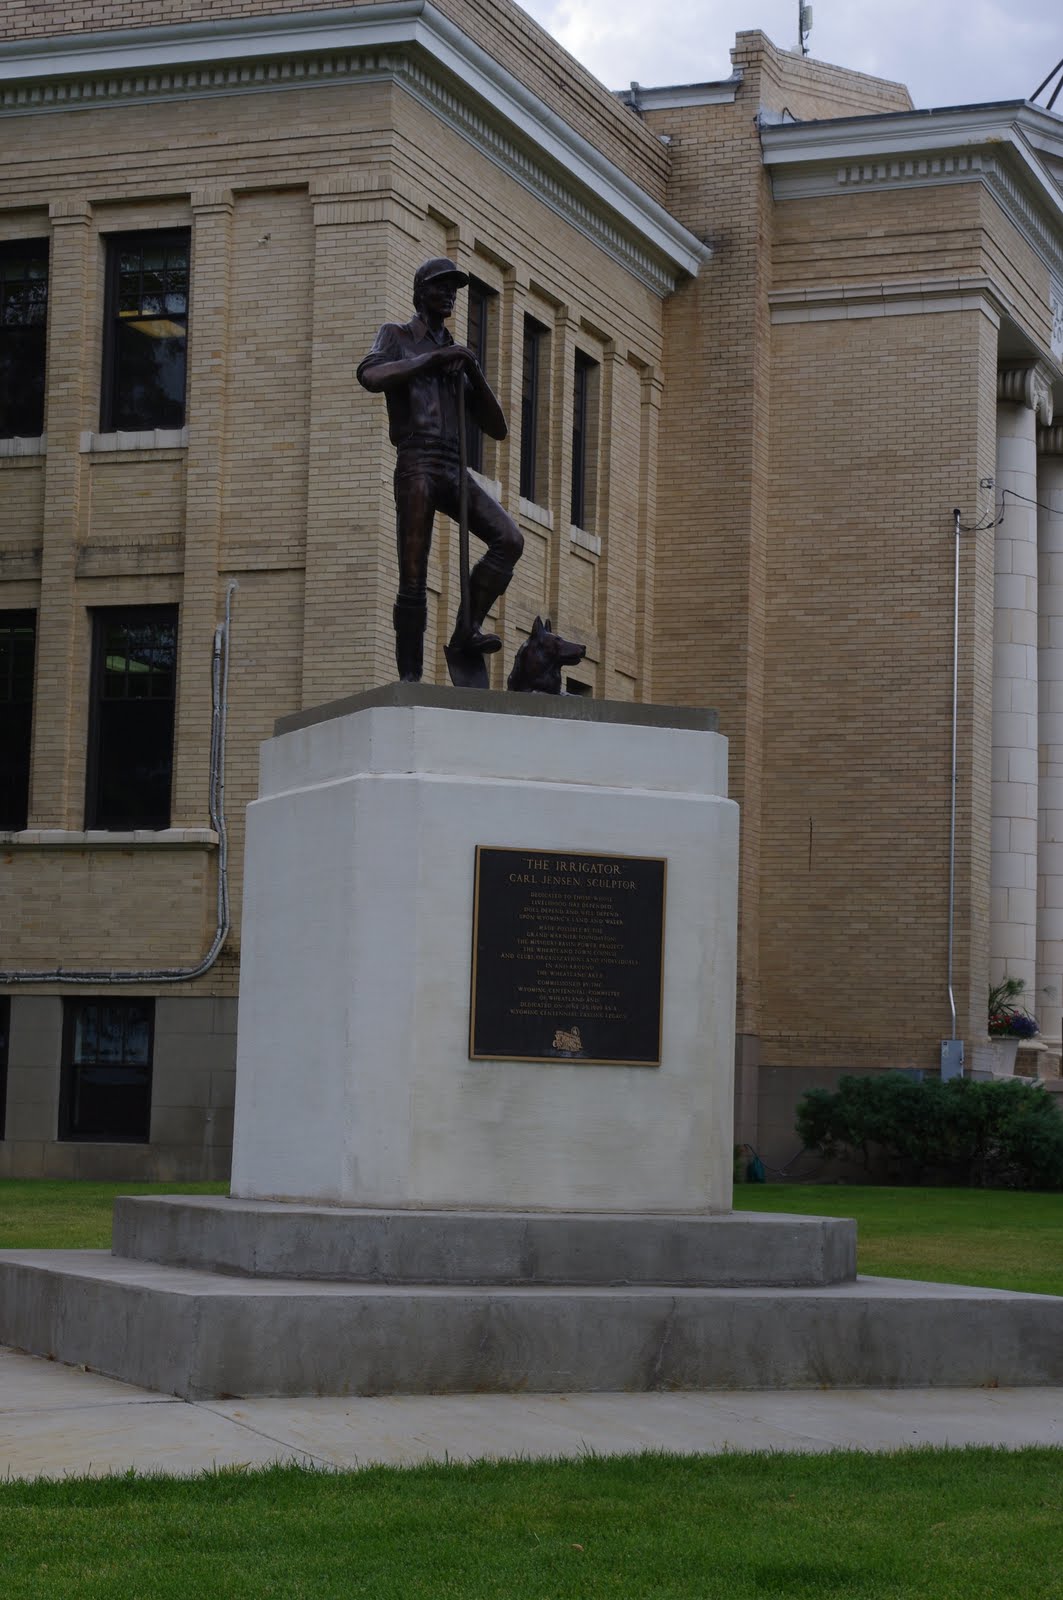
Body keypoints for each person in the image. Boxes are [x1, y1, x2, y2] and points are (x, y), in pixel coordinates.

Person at [357, 258, 523, 682]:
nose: (449, 294)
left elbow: (497, 428)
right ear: (420, 292)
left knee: (509, 539)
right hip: (416, 462)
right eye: (440, 286)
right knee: (413, 575)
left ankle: (467, 628)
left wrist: (472, 369)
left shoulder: (456, 354)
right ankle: (410, 679)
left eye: (454, 288)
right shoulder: (397, 336)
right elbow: (371, 375)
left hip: (452, 466)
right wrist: (434, 359)